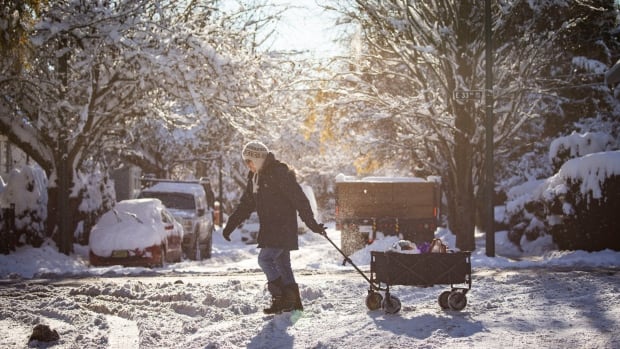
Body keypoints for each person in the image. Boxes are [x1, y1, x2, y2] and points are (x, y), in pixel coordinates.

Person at [222, 141, 325, 314]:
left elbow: (299, 198)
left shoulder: (279, 173)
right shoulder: (255, 178)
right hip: (271, 229)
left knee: (265, 260)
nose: (247, 165)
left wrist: (311, 223)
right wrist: (229, 226)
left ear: (258, 158)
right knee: (282, 264)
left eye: (249, 161)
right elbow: (245, 205)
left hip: (282, 228)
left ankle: (281, 299)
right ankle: (294, 304)